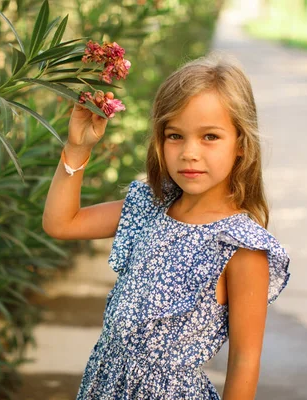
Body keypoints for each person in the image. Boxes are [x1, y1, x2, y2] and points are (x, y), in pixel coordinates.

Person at [42, 52, 291, 400]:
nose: (189, 152)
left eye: (210, 137)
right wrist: (77, 147)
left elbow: (244, 362)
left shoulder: (241, 247)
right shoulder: (149, 206)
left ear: (241, 145)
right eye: (175, 136)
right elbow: (61, 222)